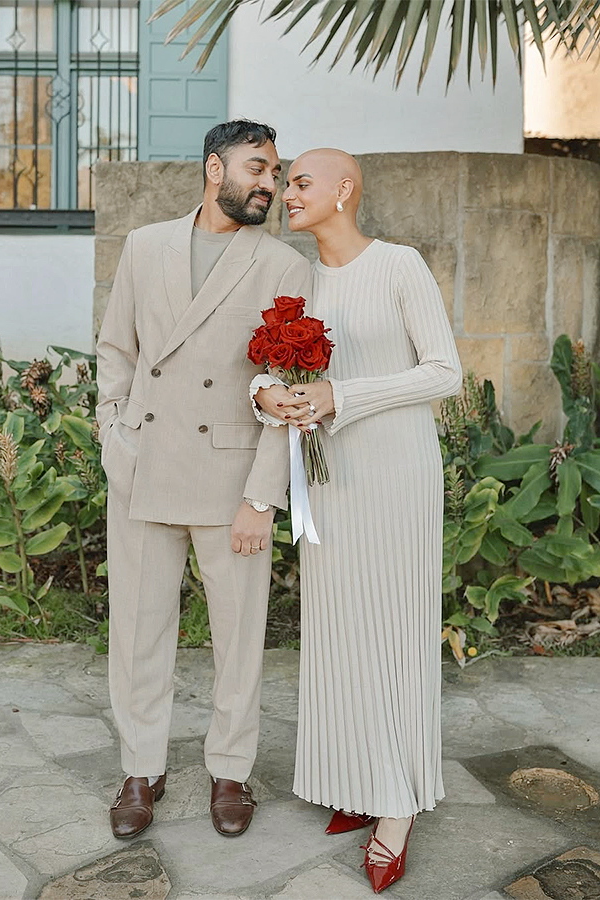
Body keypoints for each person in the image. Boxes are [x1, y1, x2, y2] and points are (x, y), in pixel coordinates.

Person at [253, 149, 462, 893]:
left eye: (299, 183)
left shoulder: (400, 265)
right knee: (338, 633)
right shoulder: (299, 278)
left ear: (345, 191)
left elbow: (445, 372)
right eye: (284, 186)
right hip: (327, 481)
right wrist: (263, 394)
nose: (286, 195)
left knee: (393, 629)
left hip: (398, 474)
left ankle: (398, 804)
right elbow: (271, 368)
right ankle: (357, 783)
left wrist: (346, 395)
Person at [96, 120, 311, 840]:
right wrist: (114, 434)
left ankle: (229, 769)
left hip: (231, 479)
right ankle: (141, 767)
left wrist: (261, 495)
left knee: (239, 635)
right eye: (259, 168)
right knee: (136, 630)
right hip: (144, 465)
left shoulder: (283, 265)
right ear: (214, 169)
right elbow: (116, 347)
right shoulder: (145, 244)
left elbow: (290, 386)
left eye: (277, 173)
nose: (271, 184)